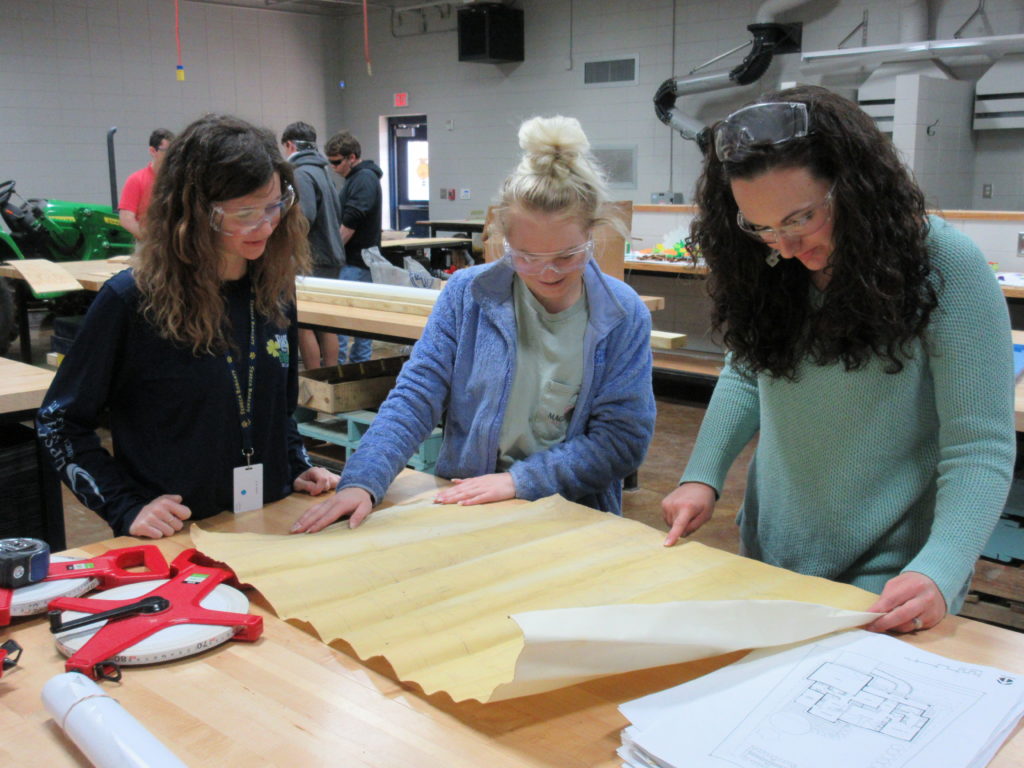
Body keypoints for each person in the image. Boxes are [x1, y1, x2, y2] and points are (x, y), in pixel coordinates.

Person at [660, 86, 1015, 634]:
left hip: (891, 576)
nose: (786, 245)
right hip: (774, 548)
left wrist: (941, 568)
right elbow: (747, 369)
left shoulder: (946, 266)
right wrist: (701, 476)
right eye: (762, 227)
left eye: (802, 217)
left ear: (854, 187)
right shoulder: (772, 263)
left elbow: (979, 444)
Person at [292, 115, 656, 534]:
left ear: (594, 234)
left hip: (573, 519)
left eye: (567, 256)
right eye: (526, 257)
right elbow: (416, 395)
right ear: (502, 239)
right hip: (467, 508)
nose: (547, 273)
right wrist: (363, 480)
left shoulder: (621, 314)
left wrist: (521, 481)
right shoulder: (468, 295)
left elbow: (620, 442)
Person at [37, 114, 338, 539]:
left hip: (270, 525)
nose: (266, 225)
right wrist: (125, 505)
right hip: (177, 537)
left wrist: (295, 463)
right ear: (193, 214)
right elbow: (59, 422)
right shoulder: (132, 301)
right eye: (244, 213)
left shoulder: (274, 290)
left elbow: (276, 409)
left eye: (274, 205)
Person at [281, 121, 344, 370]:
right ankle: (330, 377)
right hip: (330, 256)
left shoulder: (301, 172)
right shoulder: (323, 171)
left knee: (305, 324)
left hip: (312, 259)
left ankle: (313, 384)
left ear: (289, 144)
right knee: (326, 323)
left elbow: (304, 217)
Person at [324, 130, 382, 363]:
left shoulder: (364, 178)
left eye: (337, 162)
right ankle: (355, 368)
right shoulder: (357, 178)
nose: (333, 167)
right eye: (330, 162)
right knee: (358, 321)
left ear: (352, 157)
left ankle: (344, 369)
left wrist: (332, 253)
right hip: (356, 262)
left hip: (356, 263)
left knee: (344, 322)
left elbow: (351, 221)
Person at [118, 128, 174, 239]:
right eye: (167, 151)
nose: (172, 156)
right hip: (147, 246)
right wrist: (150, 241)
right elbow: (126, 219)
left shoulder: (176, 180)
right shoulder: (136, 180)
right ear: (153, 151)